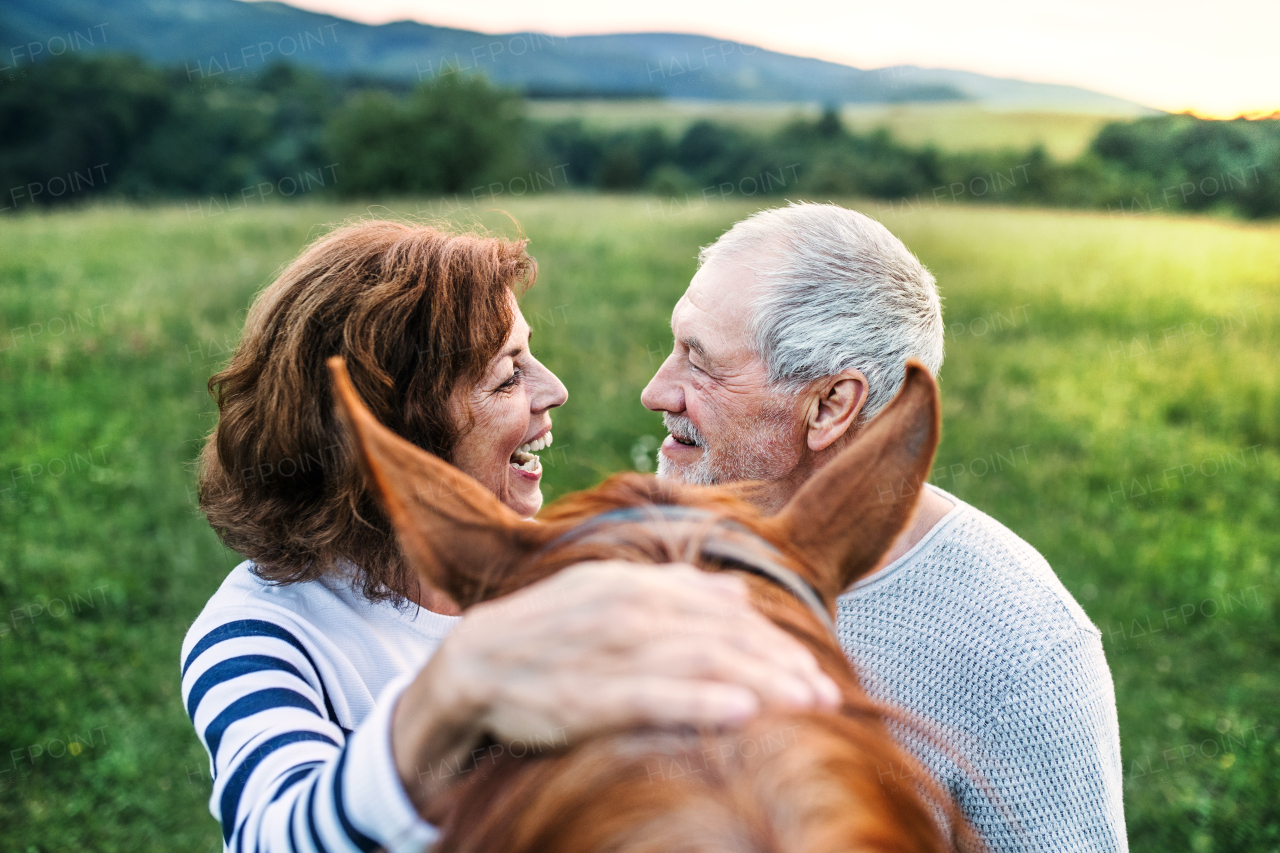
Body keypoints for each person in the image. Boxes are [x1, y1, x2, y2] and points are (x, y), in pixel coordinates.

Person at [182, 220, 841, 852]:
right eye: (508, 374)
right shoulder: (260, 631)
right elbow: (272, 832)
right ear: (399, 431)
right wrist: (452, 696)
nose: (553, 389)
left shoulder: (562, 570)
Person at [641, 202, 1127, 852]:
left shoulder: (1021, 654)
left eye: (700, 362)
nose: (656, 389)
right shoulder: (659, 547)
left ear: (830, 406)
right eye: (675, 346)